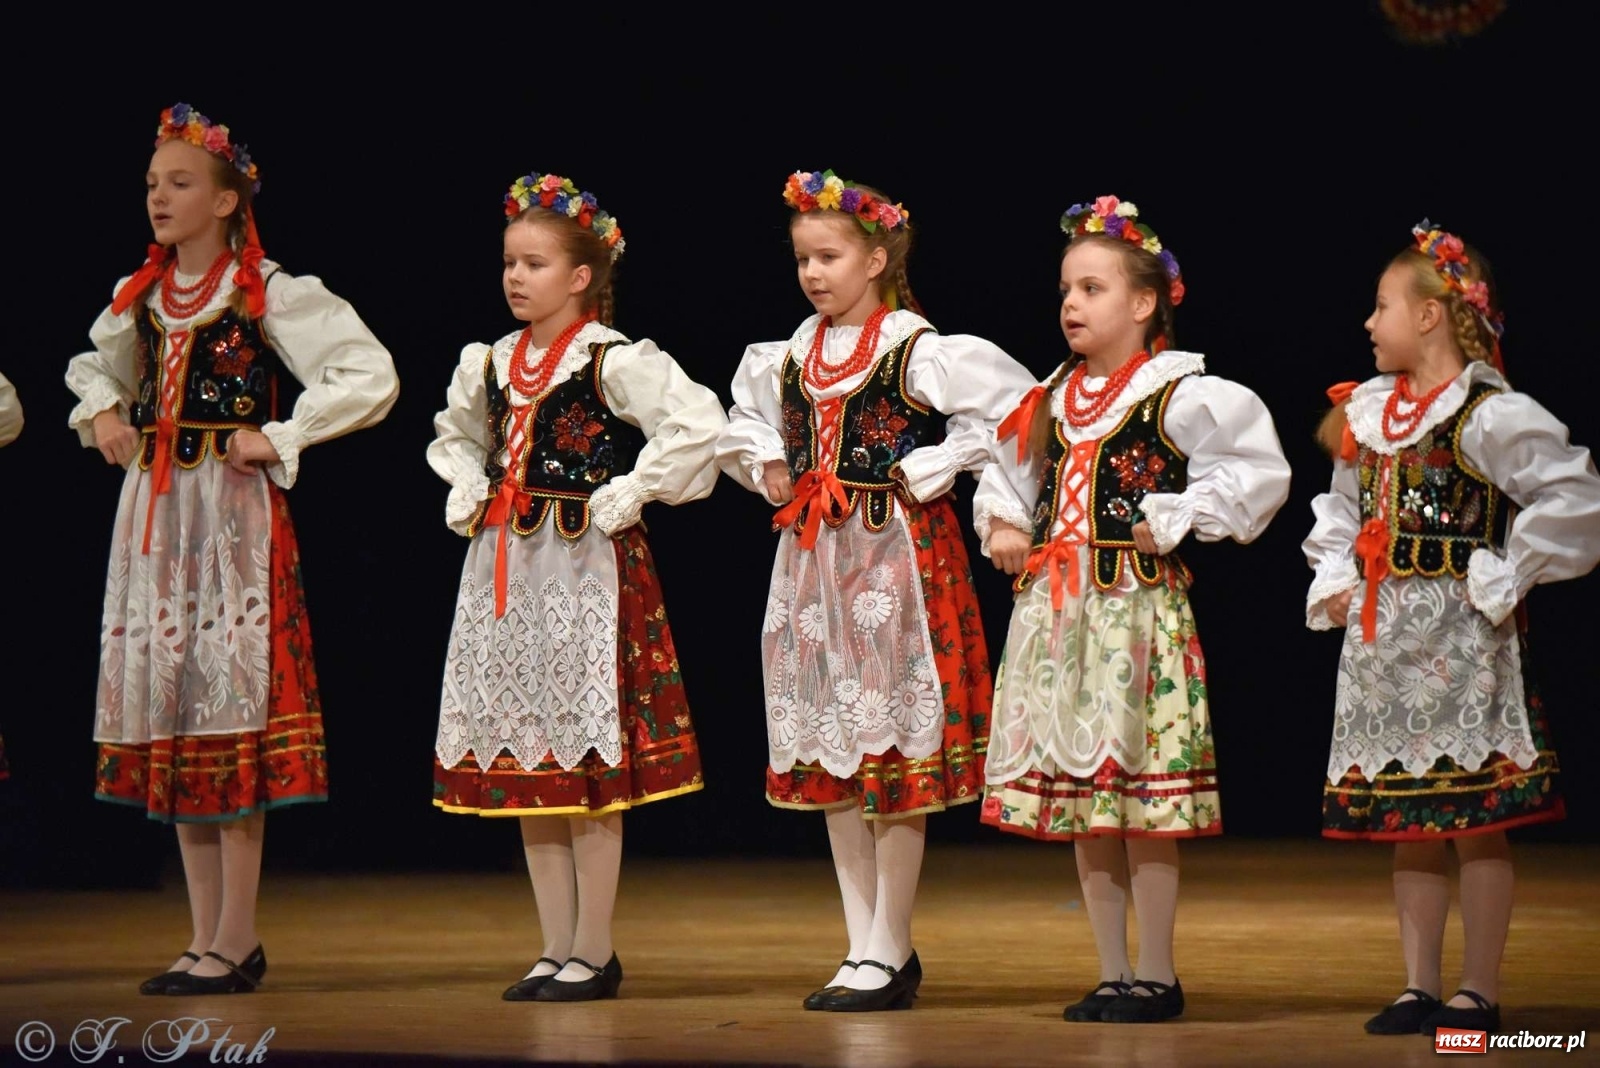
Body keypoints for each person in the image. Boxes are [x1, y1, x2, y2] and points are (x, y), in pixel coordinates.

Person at [65, 103, 399, 995]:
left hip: (229, 520)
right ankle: (203, 935)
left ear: (224, 201)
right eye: (151, 183)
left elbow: (367, 372)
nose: (158, 198)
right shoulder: (141, 297)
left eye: (179, 183)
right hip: (156, 519)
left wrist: (281, 435)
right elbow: (93, 366)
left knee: (229, 710)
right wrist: (105, 411)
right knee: (179, 714)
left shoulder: (264, 291)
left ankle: (237, 934)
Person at [716, 169, 1036, 1012]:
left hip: (896, 562)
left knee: (891, 755)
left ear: (876, 258)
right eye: (802, 259)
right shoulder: (788, 354)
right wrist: (768, 461)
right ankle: (861, 941)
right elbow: (741, 421)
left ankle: (890, 943)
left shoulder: (913, 348)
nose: (813, 273)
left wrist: (951, 466)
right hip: (814, 564)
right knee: (835, 753)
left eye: (828, 257)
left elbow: (1017, 409)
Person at [975, 196, 1290, 1023]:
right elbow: (1008, 473)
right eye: (1065, 291)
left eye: (1092, 288)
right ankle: (1112, 970)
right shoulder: (1052, 396)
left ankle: (1157, 971)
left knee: (1143, 802)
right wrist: (1004, 521)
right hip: (1059, 613)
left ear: (1145, 301)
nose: (1071, 305)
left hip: (1133, 616)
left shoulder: (1174, 393)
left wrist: (1183, 514)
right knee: (1089, 802)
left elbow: (1256, 470)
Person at [429, 171, 724, 1002]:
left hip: (584, 572)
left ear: (581, 276)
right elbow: (454, 435)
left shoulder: (611, 360)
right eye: (509, 263)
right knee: (531, 753)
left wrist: (636, 487)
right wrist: (467, 479)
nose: (516, 277)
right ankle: (553, 944)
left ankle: (593, 948)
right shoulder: (492, 361)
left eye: (535, 264)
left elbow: (697, 422)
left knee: (587, 765)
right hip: (506, 573)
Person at [1304, 220, 1600, 1035]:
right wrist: (1336, 578)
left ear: (1430, 315)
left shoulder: (1487, 413)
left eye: (1382, 305)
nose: (1369, 323)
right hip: (1383, 642)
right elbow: (1340, 511)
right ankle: (1418, 985)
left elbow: (1574, 495)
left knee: (1477, 823)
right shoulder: (1366, 414)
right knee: (1412, 820)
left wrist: (1508, 571)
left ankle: (1478, 989)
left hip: (1462, 643)